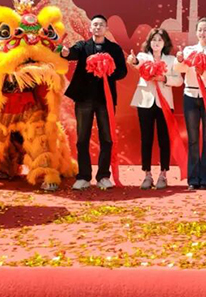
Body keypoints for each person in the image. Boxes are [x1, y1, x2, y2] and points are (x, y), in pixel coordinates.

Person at [62, 15, 127, 190]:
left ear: (106, 29)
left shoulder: (114, 49)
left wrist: (108, 70)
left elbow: (122, 71)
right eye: (95, 25)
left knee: (106, 138)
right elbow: (71, 53)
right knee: (82, 138)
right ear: (90, 28)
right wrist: (65, 52)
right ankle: (83, 177)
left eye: (101, 25)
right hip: (84, 98)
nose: (98, 27)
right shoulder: (82, 46)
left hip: (105, 99)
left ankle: (103, 176)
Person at [126, 28, 182, 190]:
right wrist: (133, 61)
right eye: (154, 40)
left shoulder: (171, 60)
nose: (156, 43)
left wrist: (164, 78)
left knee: (164, 139)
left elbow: (179, 81)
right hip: (145, 102)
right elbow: (137, 63)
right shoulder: (143, 56)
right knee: (146, 138)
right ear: (149, 42)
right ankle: (147, 174)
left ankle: (163, 174)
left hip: (164, 103)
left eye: (160, 40)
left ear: (165, 43)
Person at [174, 18, 206, 190]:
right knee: (193, 138)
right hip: (190, 95)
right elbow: (179, 70)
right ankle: (193, 178)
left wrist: (204, 72)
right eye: (200, 30)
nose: (202, 33)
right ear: (196, 32)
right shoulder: (188, 50)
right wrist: (180, 60)